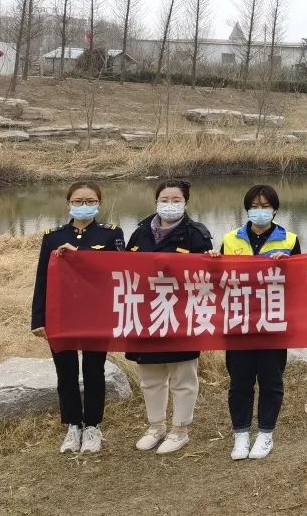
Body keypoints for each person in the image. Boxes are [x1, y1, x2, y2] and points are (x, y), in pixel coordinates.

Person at [30, 181, 125, 454]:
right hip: (62, 314)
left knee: (94, 371)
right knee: (66, 372)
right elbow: (42, 279)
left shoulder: (111, 234)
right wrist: (39, 318)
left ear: (99, 203)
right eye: (78, 201)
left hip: (96, 314)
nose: (84, 205)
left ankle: (93, 425)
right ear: (68, 203)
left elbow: (118, 271)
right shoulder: (53, 236)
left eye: (90, 200)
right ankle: (73, 425)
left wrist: (80, 256)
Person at [125, 180, 214, 454]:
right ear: (155, 201)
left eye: (176, 200)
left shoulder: (196, 234)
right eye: (165, 199)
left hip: (180, 313)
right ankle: (156, 426)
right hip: (146, 313)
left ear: (185, 203)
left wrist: (213, 261)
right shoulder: (140, 232)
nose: (170, 204)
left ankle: (180, 429)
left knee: (182, 375)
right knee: (150, 375)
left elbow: (207, 278)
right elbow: (123, 269)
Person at [219, 185, 301, 461]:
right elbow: (219, 280)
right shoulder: (230, 239)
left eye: (266, 206)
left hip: (274, 321)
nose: (260, 210)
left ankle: (266, 433)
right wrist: (214, 263)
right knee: (239, 381)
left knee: (271, 379)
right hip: (239, 321)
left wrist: (289, 265)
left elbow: (303, 282)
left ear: (275, 209)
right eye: (255, 205)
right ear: (247, 209)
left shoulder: (289, 239)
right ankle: (241, 434)